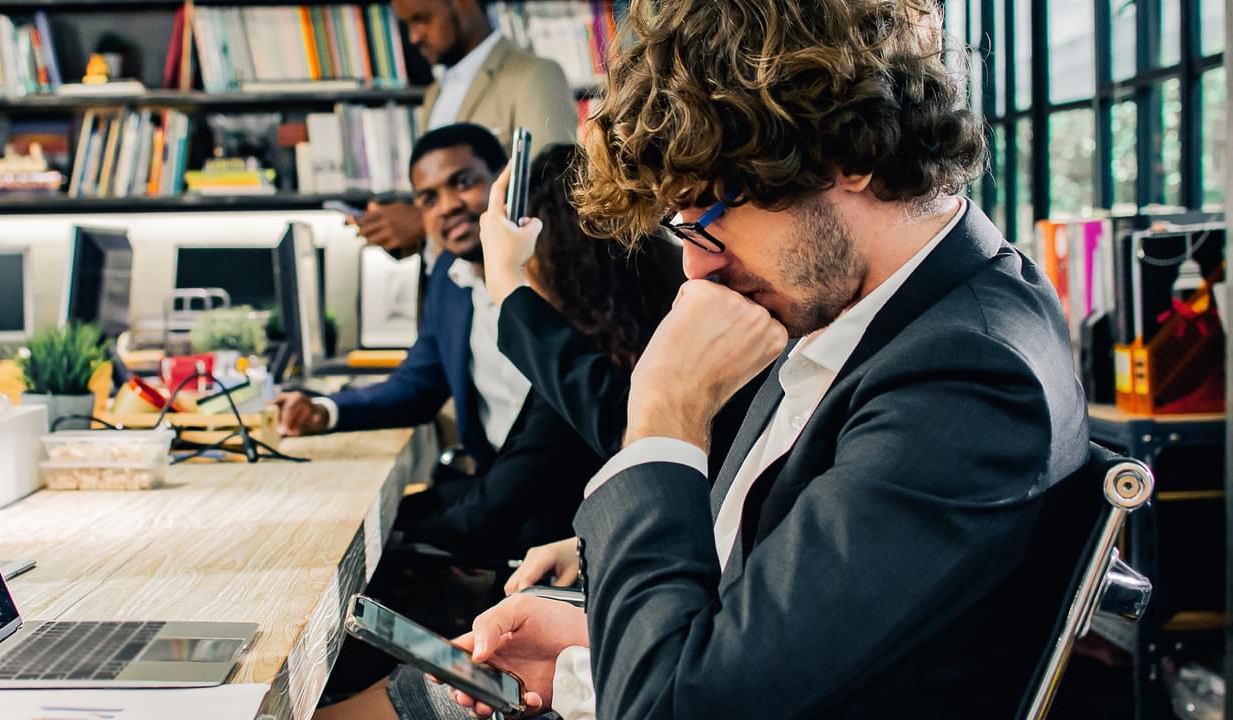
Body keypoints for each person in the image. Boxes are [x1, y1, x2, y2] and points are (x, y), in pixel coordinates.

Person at [445, 0, 1091, 717]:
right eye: (678, 231)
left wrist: (665, 411)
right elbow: (773, 628)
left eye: (706, 221)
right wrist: (601, 640)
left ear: (852, 154)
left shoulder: (968, 377)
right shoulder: (862, 311)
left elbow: (676, 708)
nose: (693, 270)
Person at [314, 143, 684, 720]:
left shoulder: (593, 361)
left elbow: (601, 453)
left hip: (577, 612)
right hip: (575, 584)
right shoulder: (598, 340)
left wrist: (510, 288)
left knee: (394, 682)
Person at [351, 0, 580, 259]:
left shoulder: (535, 75)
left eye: (421, 19)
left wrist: (422, 221)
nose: (413, 37)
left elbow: (553, 199)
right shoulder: (434, 95)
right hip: (444, 286)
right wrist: (397, 229)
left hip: (502, 283)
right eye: (408, 25)